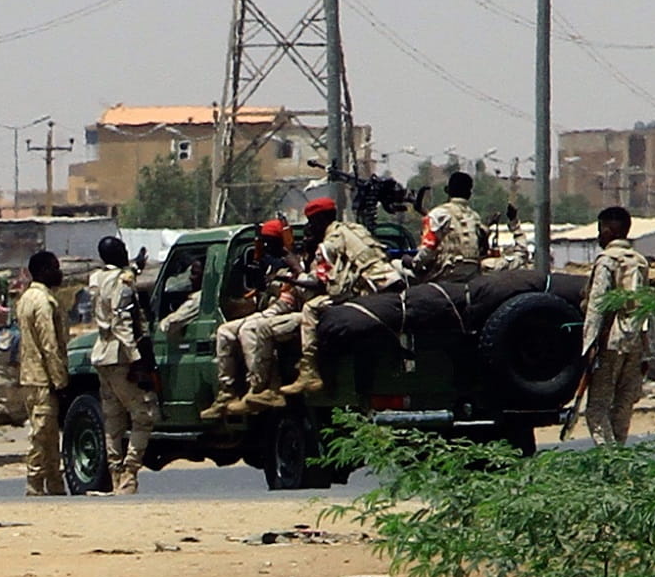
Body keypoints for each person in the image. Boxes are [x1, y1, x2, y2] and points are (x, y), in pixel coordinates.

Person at [281, 196, 405, 396]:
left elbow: (319, 283)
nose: (311, 228)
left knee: (310, 308)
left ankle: (309, 370)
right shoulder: (356, 229)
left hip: (368, 292)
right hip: (391, 284)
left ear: (320, 221)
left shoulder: (329, 244)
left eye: (312, 223)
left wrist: (295, 269)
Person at [199, 220, 301, 419]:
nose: (267, 246)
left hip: (286, 308)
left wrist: (273, 282)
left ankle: (261, 387)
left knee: (250, 328)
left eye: (271, 241)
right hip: (272, 309)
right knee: (225, 331)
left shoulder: (291, 260)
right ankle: (226, 392)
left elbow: (290, 295)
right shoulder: (269, 262)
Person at [88, 235, 158, 494]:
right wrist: (136, 359)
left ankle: (116, 474)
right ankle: (129, 472)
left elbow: (120, 278)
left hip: (101, 354)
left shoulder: (96, 279)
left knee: (112, 419)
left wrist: (136, 267)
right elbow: (122, 321)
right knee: (144, 415)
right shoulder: (123, 282)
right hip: (120, 355)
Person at [580, 206, 650, 446]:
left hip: (611, 342)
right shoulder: (639, 262)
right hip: (635, 344)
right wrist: (646, 350)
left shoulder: (607, 261)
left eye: (601, 230)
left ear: (608, 231)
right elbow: (645, 308)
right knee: (622, 408)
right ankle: (619, 459)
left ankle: (610, 461)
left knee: (597, 411)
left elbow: (597, 306)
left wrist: (588, 346)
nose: (599, 236)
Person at [14, 251, 70, 496]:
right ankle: (35, 482)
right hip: (42, 378)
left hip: (29, 376)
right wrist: (60, 380)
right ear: (45, 270)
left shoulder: (26, 297)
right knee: (41, 433)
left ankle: (55, 485)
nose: (59, 273)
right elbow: (50, 345)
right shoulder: (43, 301)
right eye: (55, 268)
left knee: (48, 436)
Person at [412, 171, 489, 281]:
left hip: (446, 273)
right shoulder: (475, 217)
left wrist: (414, 263)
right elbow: (483, 248)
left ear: (447, 190)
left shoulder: (437, 214)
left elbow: (428, 249)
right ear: (469, 194)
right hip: (472, 273)